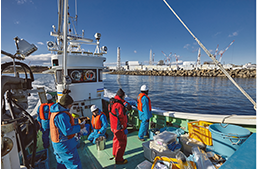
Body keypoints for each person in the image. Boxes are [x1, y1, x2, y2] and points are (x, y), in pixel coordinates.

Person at [50, 90, 85, 169]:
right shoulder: (61, 115)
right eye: (70, 105)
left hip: (58, 145)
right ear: (67, 105)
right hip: (64, 146)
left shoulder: (56, 112)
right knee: (74, 164)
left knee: (61, 164)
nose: (71, 106)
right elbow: (67, 131)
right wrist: (80, 127)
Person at [109, 88, 129, 165]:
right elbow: (122, 118)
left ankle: (114, 153)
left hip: (113, 126)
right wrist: (124, 127)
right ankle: (119, 159)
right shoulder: (119, 105)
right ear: (122, 96)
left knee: (115, 140)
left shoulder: (111, 103)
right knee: (122, 143)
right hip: (119, 128)